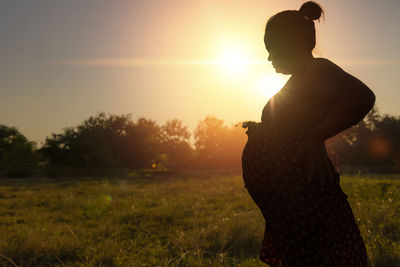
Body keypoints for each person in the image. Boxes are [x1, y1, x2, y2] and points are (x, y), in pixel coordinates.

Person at [241, 1, 375, 266]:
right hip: (294, 202)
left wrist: (315, 139)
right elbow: (296, 125)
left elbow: (362, 97)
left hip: (308, 201)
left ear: (297, 39)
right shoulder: (299, 80)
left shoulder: (316, 69)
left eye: (272, 48)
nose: (269, 58)